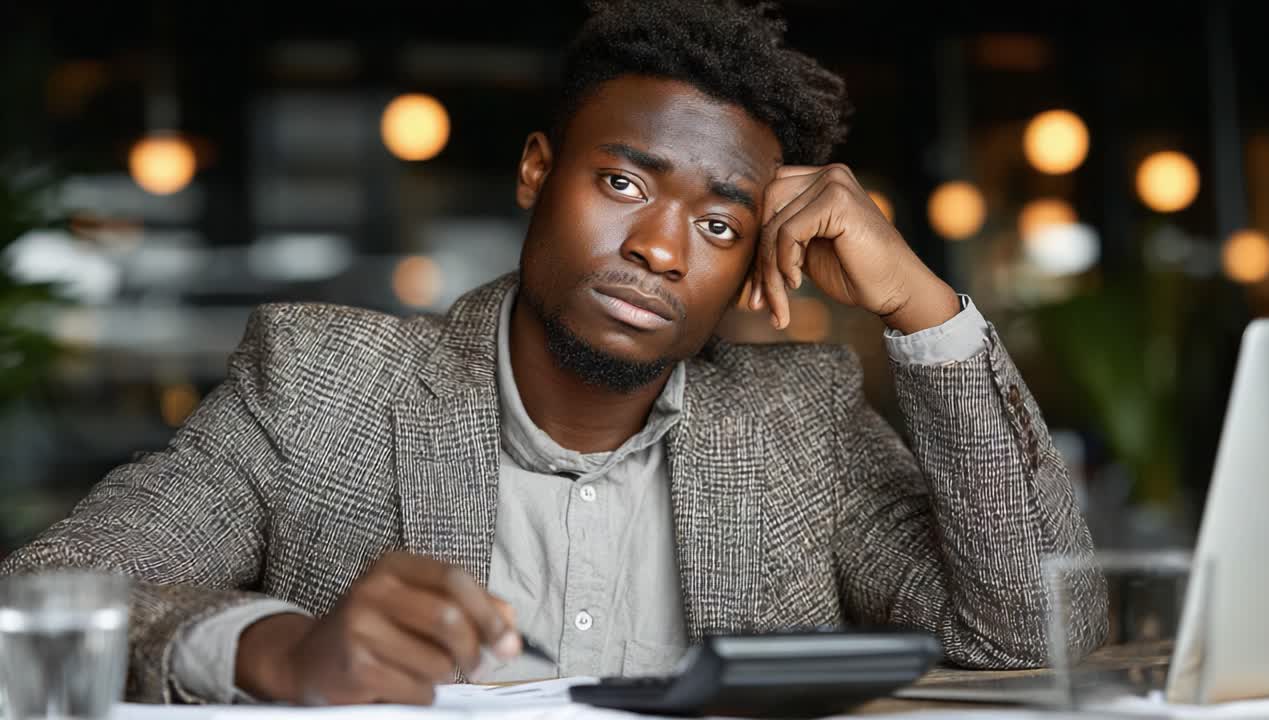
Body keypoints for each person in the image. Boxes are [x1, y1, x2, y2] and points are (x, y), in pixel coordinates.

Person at [1, 0, 1106, 706]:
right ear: (536, 171)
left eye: (720, 224)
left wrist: (918, 303)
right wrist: (276, 654)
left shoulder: (793, 421)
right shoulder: (318, 387)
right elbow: (41, 600)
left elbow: (1034, 631)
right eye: (622, 183)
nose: (661, 249)